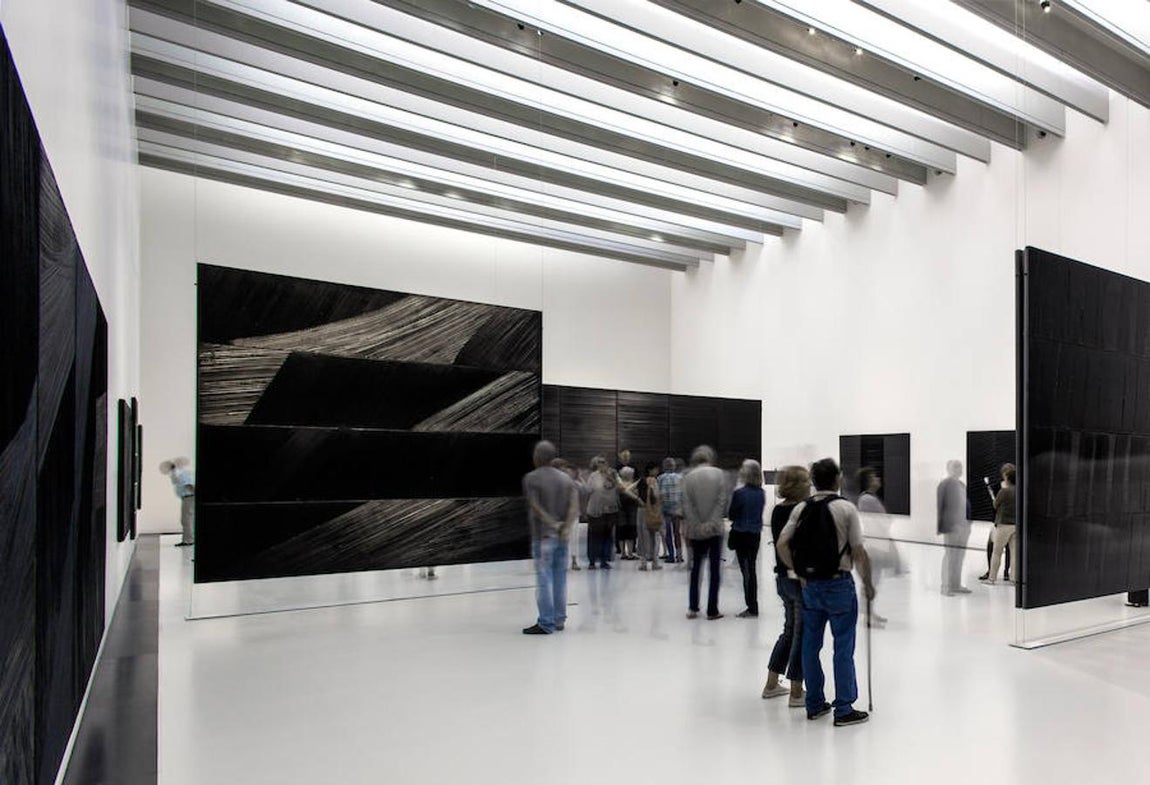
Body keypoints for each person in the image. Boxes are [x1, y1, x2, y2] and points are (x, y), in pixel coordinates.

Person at [777, 458, 875, 727]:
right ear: (838, 478)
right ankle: (843, 708)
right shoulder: (846, 509)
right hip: (839, 584)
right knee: (843, 646)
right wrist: (867, 583)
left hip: (811, 586)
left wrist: (798, 571)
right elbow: (858, 550)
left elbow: (782, 544)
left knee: (811, 644)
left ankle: (815, 703)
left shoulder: (801, 508)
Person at [762, 465, 809, 706]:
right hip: (797, 578)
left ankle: (771, 684)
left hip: (782, 577)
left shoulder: (777, 510)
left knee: (790, 631)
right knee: (800, 634)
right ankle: (797, 691)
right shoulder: (802, 511)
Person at [522, 441, 579, 635]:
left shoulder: (531, 478)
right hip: (562, 537)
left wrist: (553, 524)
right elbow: (574, 506)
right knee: (560, 578)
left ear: (537, 457)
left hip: (543, 536)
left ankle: (546, 622)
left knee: (544, 579)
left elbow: (535, 506)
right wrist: (566, 527)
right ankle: (559, 619)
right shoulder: (566, 479)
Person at [682, 445, 727, 620]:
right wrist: (711, 523)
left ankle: (693, 607)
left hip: (696, 531)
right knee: (714, 570)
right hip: (715, 530)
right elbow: (721, 501)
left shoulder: (688, 477)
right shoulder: (719, 474)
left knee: (695, 569)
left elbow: (687, 505)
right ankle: (712, 610)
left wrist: (698, 525)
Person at [728, 459, 766, 618]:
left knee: (746, 571)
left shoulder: (739, 493)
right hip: (755, 533)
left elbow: (732, 514)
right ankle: (752, 604)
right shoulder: (761, 493)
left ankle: (751, 606)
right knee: (751, 568)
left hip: (741, 533)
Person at [937, 460, 972, 595]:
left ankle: (956, 585)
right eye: (955, 466)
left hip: (964, 526)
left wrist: (968, 523)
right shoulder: (945, 484)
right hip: (952, 527)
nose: (959, 469)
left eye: (960, 466)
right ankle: (945, 587)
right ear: (948, 468)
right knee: (950, 556)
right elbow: (941, 507)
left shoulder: (962, 485)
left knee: (959, 557)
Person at [984, 463, 1017, 585]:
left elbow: (995, 505)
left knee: (997, 552)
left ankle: (991, 578)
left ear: (1006, 476)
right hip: (1016, 525)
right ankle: (1014, 579)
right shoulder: (1020, 490)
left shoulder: (1003, 491)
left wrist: (995, 500)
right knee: (1014, 554)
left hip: (1003, 524)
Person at [585, 456, 619, 569]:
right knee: (594, 536)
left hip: (610, 511)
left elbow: (619, 487)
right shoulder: (593, 476)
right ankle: (592, 561)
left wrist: (609, 477)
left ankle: (605, 560)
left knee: (607, 536)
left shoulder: (613, 474)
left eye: (603, 463)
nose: (602, 465)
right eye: (599, 463)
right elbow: (588, 490)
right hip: (596, 511)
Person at [978, 474, 1011, 582]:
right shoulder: (1014, 487)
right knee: (1003, 548)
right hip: (1002, 521)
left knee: (993, 547)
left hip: (1002, 522)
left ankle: (994, 573)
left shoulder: (1007, 489)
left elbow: (995, 504)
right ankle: (1004, 572)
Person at [160, 457, 195, 547]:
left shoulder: (183, 474)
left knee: (187, 520)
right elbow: (175, 480)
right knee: (187, 519)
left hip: (189, 498)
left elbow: (190, 485)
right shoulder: (178, 474)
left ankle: (189, 540)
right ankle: (188, 539)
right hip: (187, 498)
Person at [657, 458, 684, 564]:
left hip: (665, 510)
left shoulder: (660, 478)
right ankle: (679, 555)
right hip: (677, 510)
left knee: (668, 533)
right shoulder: (680, 478)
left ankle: (671, 555)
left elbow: (659, 494)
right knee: (677, 533)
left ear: (664, 467)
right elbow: (682, 494)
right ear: (673, 466)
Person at [637, 462, 663, 571]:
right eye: (655, 469)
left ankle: (643, 562)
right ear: (650, 470)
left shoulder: (641, 481)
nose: (657, 471)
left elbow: (635, 493)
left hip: (642, 511)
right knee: (655, 536)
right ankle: (655, 562)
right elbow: (656, 496)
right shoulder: (654, 481)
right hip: (653, 510)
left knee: (643, 537)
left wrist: (638, 499)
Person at [616, 466, 641, 560]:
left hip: (620, 511)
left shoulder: (619, 485)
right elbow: (636, 496)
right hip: (632, 511)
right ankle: (630, 553)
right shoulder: (634, 485)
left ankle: (623, 553)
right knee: (631, 532)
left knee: (621, 532)